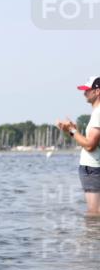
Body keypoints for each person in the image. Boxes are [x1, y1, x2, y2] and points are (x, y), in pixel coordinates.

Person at [56, 76, 100, 216]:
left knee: (94, 212)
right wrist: (72, 131)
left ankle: (90, 237)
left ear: (97, 91)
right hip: (94, 168)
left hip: (93, 168)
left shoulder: (98, 113)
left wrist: (72, 131)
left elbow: (90, 146)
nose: (84, 93)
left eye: (87, 90)